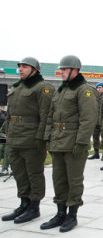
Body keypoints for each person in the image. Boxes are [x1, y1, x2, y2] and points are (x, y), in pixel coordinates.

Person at [41, 55, 97, 232]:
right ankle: (60, 213)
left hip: (74, 143)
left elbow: (88, 119)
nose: (61, 72)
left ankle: (72, 215)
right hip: (58, 142)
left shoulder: (84, 90)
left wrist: (81, 143)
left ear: (75, 70)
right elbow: (51, 116)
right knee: (58, 180)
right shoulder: (61, 90)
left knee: (74, 180)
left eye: (64, 69)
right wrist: (47, 137)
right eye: (61, 69)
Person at [1, 57, 54, 224]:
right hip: (15, 138)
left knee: (34, 173)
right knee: (19, 172)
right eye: (20, 66)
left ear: (35, 70)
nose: (21, 69)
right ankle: (23, 203)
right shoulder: (17, 87)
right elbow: (10, 116)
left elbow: (46, 116)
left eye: (25, 66)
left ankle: (34, 206)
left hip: (32, 138)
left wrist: (41, 138)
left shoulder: (43, 88)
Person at [88, 82, 103, 160]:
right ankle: (96, 153)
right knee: (95, 137)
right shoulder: (93, 97)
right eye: (97, 88)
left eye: (100, 87)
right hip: (95, 121)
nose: (99, 89)